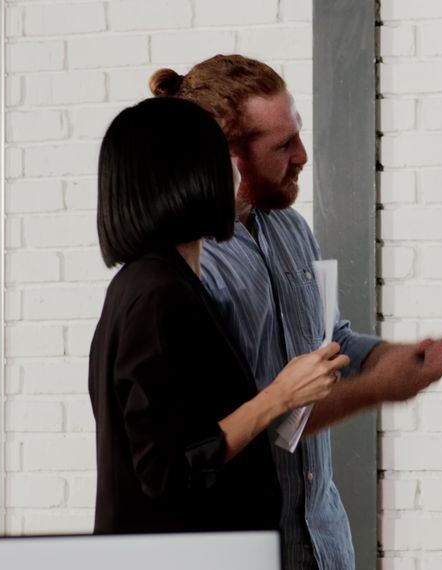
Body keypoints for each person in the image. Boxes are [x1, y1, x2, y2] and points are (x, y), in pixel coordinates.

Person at [146, 56, 442, 569]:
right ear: (228, 156)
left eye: (298, 135)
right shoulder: (185, 265)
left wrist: (417, 357)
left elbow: (334, 343)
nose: (303, 155)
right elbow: (207, 435)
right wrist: (375, 389)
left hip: (322, 542)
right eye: (282, 145)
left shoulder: (292, 231)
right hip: (242, 546)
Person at [88, 97, 348, 533]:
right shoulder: (156, 297)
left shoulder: (165, 287)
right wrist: (279, 396)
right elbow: (167, 472)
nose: (236, 170)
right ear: (188, 177)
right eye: (221, 157)